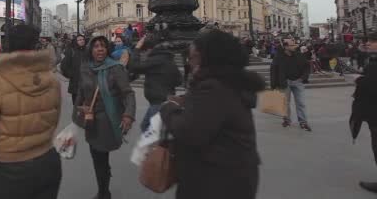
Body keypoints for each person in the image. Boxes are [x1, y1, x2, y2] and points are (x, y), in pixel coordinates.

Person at [0, 24, 62, 199]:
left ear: (8, 46)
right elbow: (54, 120)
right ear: (35, 46)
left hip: (11, 169)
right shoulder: (51, 80)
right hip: (48, 162)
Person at [159, 30, 264, 199]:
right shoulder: (229, 83)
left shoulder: (213, 88)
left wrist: (169, 108)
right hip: (233, 175)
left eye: (192, 57)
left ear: (207, 57)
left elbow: (190, 132)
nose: (190, 62)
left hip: (215, 180)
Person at [74, 36, 135, 199]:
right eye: (96, 46)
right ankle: (103, 188)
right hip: (90, 120)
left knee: (101, 156)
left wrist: (128, 115)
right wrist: (80, 107)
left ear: (107, 49)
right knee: (97, 157)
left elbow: (128, 94)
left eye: (103, 46)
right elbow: (80, 93)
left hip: (107, 120)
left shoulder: (116, 68)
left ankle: (103, 192)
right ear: (90, 50)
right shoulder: (85, 68)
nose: (100, 49)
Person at [127, 36, 182, 132]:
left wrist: (137, 49)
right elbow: (179, 80)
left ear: (149, 49)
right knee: (146, 126)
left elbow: (134, 66)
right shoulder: (167, 58)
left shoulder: (156, 59)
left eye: (144, 51)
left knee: (151, 131)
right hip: (163, 101)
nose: (144, 54)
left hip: (159, 102)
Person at [351, 33, 377, 193]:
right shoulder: (372, 60)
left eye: (373, 41)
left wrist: (358, 80)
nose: (368, 43)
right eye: (367, 41)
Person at [270, 38, 312, 131]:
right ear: (285, 46)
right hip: (285, 82)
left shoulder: (299, 55)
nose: (294, 46)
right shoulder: (278, 57)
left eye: (294, 45)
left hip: (298, 81)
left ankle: (303, 122)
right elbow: (274, 70)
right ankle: (287, 119)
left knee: (301, 103)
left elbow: (307, 66)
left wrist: (303, 78)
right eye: (291, 45)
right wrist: (273, 85)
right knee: (285, 103)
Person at [61, 34, 87, 105]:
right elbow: (63, 66)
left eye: (83, 39)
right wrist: (71, 75)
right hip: (76, 83)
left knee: (87, 105)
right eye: (79, 40)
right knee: (77, 104)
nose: (82, 41)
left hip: (87, 82)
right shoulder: (71, 51)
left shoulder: (88, 50)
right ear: (76, 41)